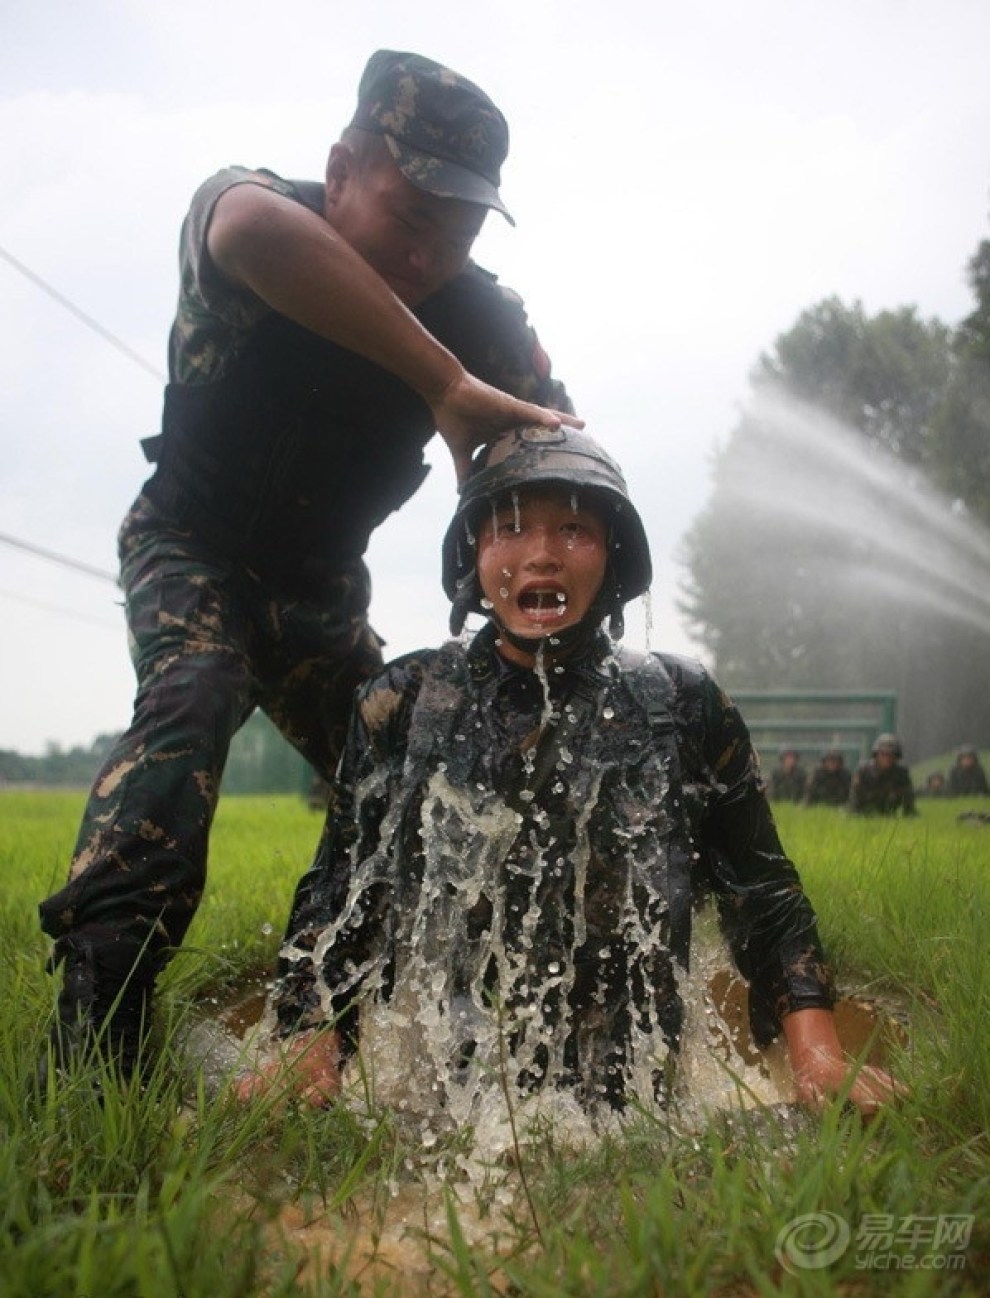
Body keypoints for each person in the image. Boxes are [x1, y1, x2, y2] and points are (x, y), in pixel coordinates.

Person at [37, 50, 579, 1082]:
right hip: (192, 546)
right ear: (339, 173)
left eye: (455, 235)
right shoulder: (259, 220)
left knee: (409, 773)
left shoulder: (480, 318)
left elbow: (559, 447)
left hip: (321, 591)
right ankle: (97, 1027)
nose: (427, 257)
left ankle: (400, 999)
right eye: (408, 217)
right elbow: (242, 225)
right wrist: (441, 381)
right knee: (190, 700)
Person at [239, 427, 900, 1118]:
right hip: (450, 1087)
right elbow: (344, 888)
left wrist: (819, 1056)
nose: (543, 556)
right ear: (475, 551)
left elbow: (762, 889)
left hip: (636, 1086)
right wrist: (307, 1042)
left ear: (613, 555)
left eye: (575, 530)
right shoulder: (403, 702)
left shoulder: (682, 703)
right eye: (510, 529)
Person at [849, 735, 917, 817]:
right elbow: (854, 799)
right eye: (883, 754)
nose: (887, 759)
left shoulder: (901, 774)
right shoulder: (864, 771)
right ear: (876, 755)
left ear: (896, 757)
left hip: (889, 811)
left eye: (891, 755)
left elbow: (908, 801)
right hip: (865, 812)